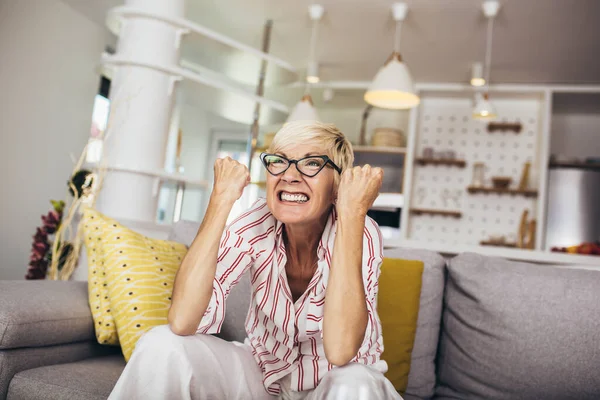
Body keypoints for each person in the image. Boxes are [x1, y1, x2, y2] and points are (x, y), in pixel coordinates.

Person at [108, 121, 402, 400]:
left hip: (337, 383)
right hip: (265, 378)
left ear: (338, 185)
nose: (289, 175)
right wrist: (221, 198)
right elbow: (183, 320)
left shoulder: (358, 230)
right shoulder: (255, 222)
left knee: (354, 385)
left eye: (312, 163)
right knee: (163, 343)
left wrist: (352, 213)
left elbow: (340, 351)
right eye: (279, 161)